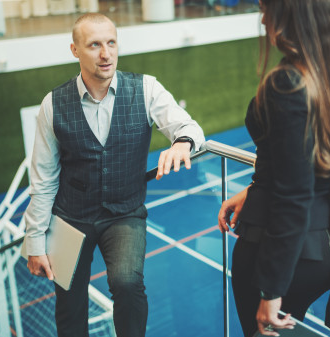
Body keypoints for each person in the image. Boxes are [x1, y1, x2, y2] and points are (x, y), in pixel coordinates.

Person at [23, 13, 205, 337]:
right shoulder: (52, 105)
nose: (105, 53)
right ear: (75, 50)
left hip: (124, 213)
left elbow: (189, 126)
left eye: (111, 42)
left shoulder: (146, 88)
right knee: (68, 304)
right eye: (94, 45)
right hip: (70, 216)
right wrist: (35, 241)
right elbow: (43, 179)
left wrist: (183, 143)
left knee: (127, 282)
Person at [217, 0, 330, 336]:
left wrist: (271, 291)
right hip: (328, 243)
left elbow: (295, 194)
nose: (262, 19)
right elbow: (303, 164)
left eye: (266, 9)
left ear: (288, 15)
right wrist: (254, 190)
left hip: (283, 252)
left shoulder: (287, 82)